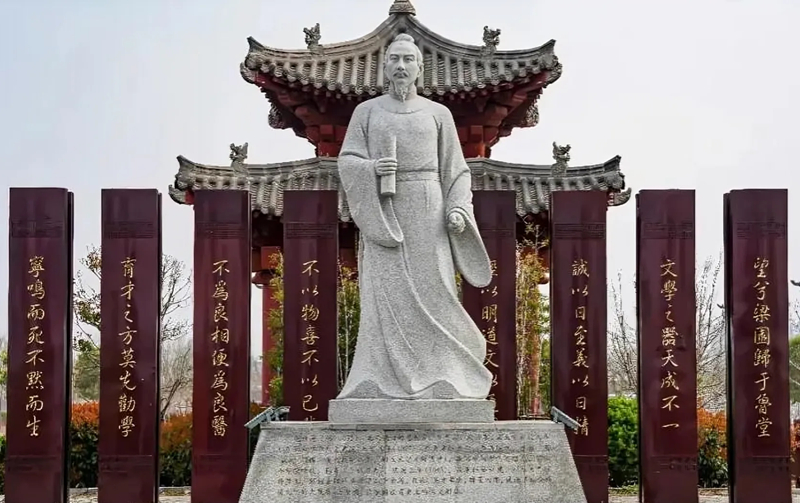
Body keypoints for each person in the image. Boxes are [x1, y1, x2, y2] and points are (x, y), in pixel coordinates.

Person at [336, 33, 494, 400]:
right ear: (385, 67)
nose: (401, 66)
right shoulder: (367, 112)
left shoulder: (438, 114)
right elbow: (347, 161)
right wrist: (373, 168)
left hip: (428, 209)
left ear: (420, 68)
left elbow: (456, 170)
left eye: (408, 60)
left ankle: (447, 374)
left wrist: (457, 207)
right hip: (384, 210)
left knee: (436, 288)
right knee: (385, 294)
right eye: (395, 59)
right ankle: (378, 378)